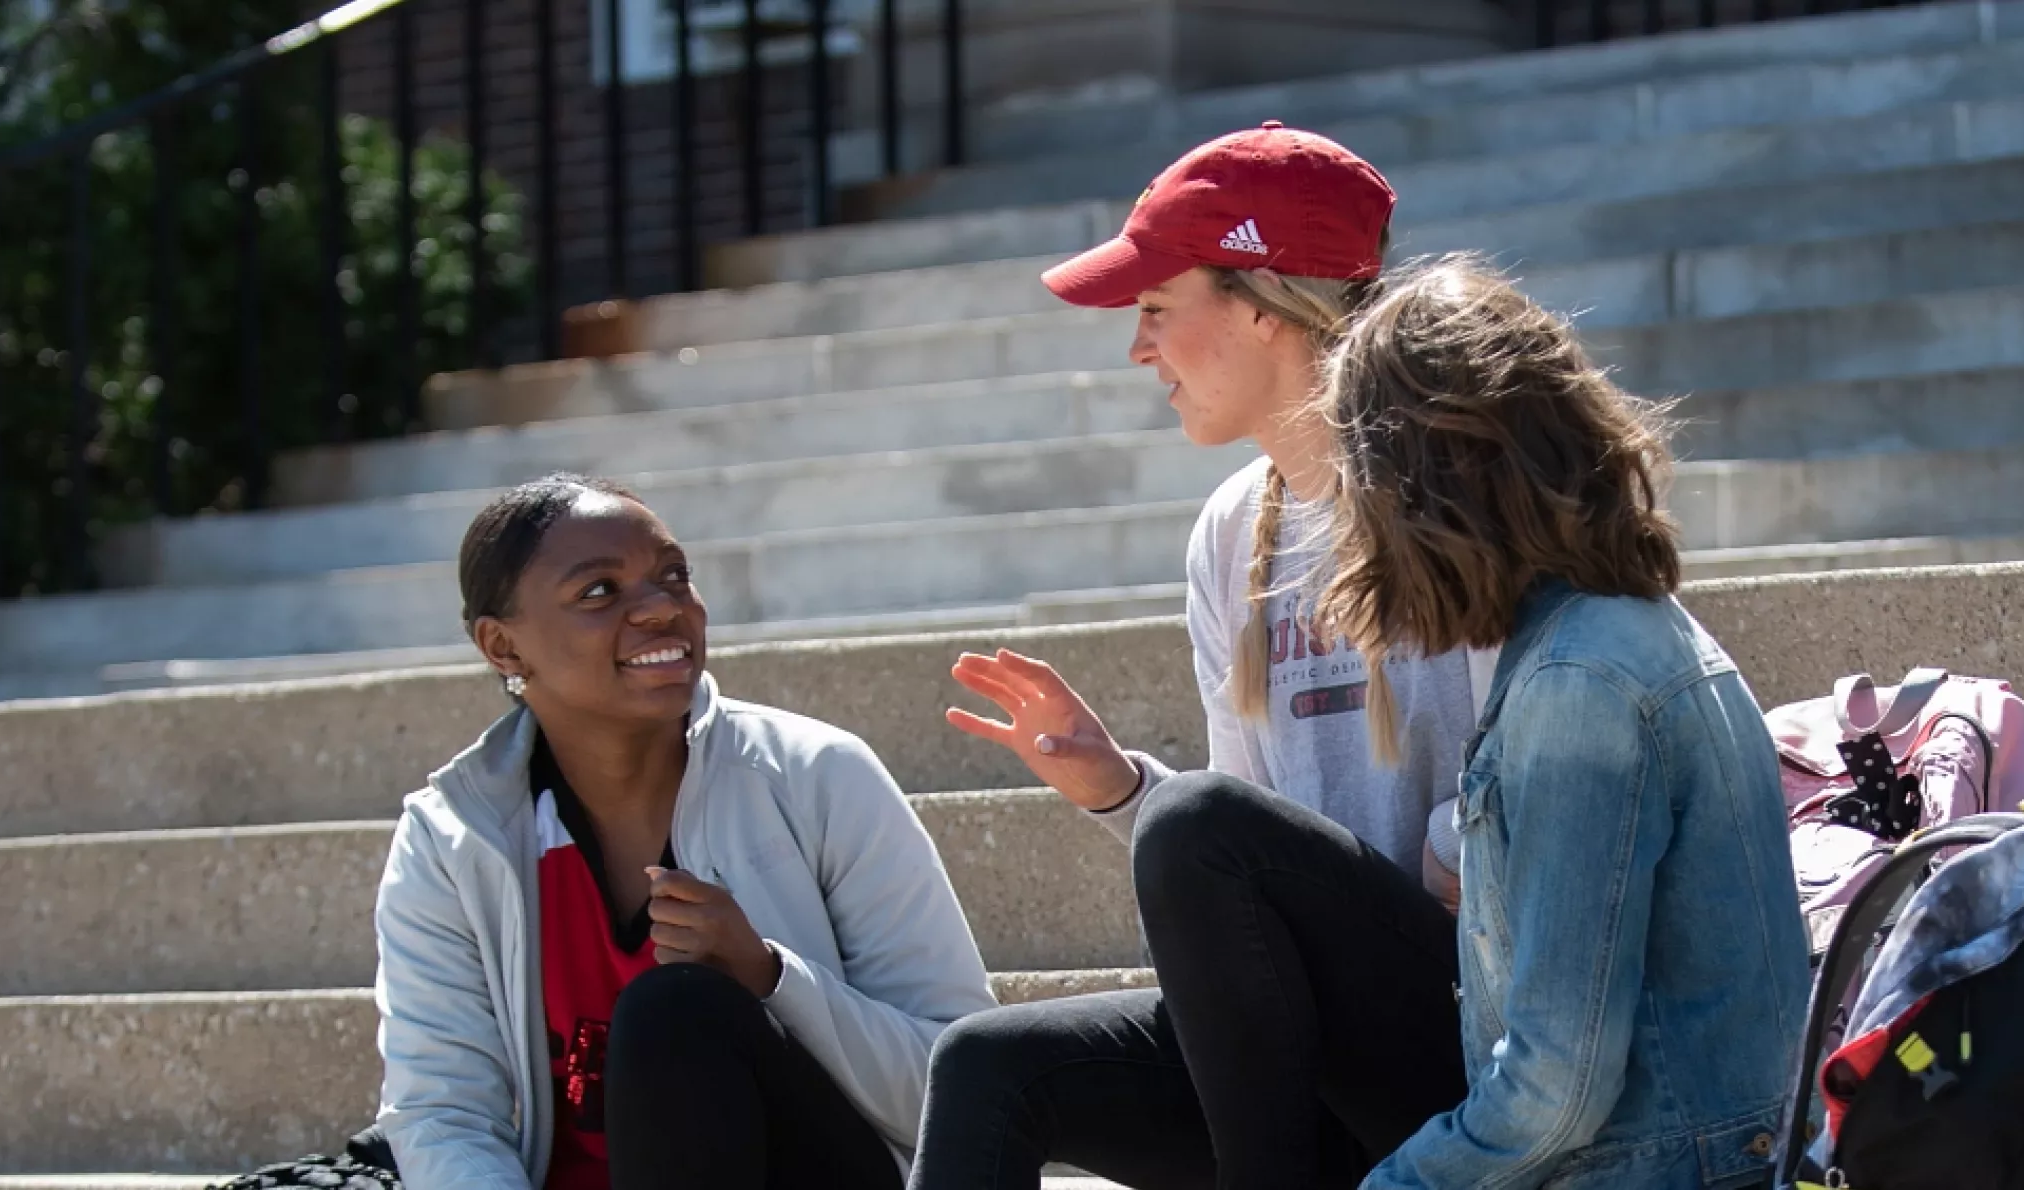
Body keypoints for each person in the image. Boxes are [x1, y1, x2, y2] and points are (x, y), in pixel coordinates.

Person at [907, 124, 1486, 1190]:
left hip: (1474, 1033)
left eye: (1156, 308)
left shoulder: (1464, 495)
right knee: (989, 1063)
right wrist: (1120, 786)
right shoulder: (1232, 529)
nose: (1138, 348)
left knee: (1196, 824)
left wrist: (1457, 849)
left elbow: (1561, 779)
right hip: (1316, 1047)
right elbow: (1254, 850)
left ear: (1263, 308)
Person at [1319, 257, 1811, 1188]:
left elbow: (1559, 1087)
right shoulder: (1628, 631)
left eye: (1359, 488)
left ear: (1419, 492)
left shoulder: (1578, 685)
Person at [372, 473, 999, 1190]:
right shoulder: (454, 838)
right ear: (502, 646)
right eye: (600, 592)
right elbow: (442, 1115)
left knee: (678, 1012)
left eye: (674, 576)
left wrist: (770, 977)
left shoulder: (816, 775)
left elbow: (963, 1082)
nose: (662, 608)